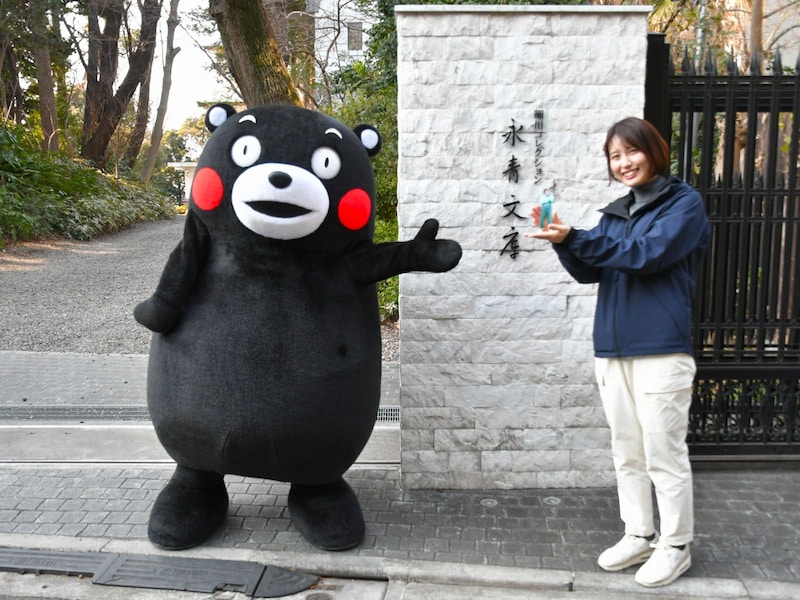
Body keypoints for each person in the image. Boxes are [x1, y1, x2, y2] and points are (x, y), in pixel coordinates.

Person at [528, 117, 710, 588]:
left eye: (632, 152)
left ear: (653, 152)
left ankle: (676, 545)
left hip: (661, 350)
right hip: (611, 349)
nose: (624, 163)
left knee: (662, 453)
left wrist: (576, 239)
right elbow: (592, 270)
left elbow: (647, 255)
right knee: (627, 452)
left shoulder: (682, 204)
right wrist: (562, 243)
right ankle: (639, 533)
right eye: (615, 156)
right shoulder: (614, 214)